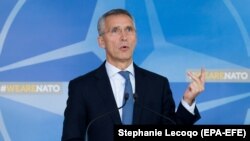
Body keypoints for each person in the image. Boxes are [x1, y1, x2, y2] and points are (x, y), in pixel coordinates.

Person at [61, 8, 205, 141]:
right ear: (101, 41)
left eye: (129, 29)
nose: (124, 37)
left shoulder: (158, 85)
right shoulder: (82, 87)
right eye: (115, 31)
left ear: (136, 37)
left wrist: (188, 101)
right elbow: (71, 137)